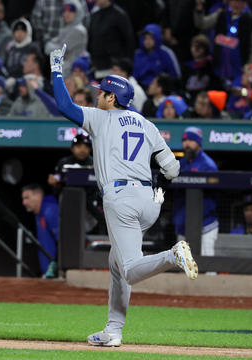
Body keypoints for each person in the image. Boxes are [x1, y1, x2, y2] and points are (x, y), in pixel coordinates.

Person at [50, 44, 197, 347]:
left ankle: (174, 255)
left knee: (129, 268)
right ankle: (113, 331)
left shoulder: (100, 118)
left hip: (121, 199)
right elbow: (172, 169)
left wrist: (55, 68)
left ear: (112, 98)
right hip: (149, 199)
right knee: (117, 264)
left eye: (102, 93)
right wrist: (158, 190)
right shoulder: (147, 123)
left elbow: (64, 106)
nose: (97, 96)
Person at [172, 127, 219, 256]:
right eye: (184, 140)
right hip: (183, 223)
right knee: (183, 267)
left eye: (191, 140)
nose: (187, 144)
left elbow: (214, 195)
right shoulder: (181, 164)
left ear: (198, 143)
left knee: (208, 266)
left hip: (205, 224)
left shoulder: (208, 165)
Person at [193, 0, 252, 82]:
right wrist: (199, 9)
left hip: (240, 73)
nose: (236, 4)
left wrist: (249, 68)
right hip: (218, 70)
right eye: (234, 1)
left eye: (240, 2)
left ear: (245, 3)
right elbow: (201, 24)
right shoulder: (221, 15)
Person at [87, 0, 135, 79]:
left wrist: (125, 66)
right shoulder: (95, 16)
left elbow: (129, 41)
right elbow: (90, 40)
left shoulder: (119, 15)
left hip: (115, 67)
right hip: (97, 66)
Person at [21, 183, 59, 278]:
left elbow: (63, 242)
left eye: (27, 198)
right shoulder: (38, 215)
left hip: (56, 274)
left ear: (38, 196)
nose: (24, 203)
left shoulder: (50, 211)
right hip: (48, 273)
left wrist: (55, 267)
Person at [44, 0, 87, 79]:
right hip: (63, 70)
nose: (66, 14)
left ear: (78, 12)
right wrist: (56, 47)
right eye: (64, 11)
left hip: (72, 74)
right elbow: (47, 48)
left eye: (71, 11)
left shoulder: (78, 30)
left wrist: (55, 45)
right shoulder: (66, 29)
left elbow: (58, 50)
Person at [132, 23, 181, 88]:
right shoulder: (138, 54)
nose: (147, 41)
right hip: (141, 87)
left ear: (157, 38)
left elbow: (176, 75)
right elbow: (135, 75)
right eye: (145, 38)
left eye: (151, 38)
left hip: (162, 88)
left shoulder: (166, 53)